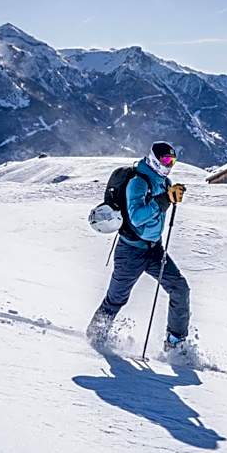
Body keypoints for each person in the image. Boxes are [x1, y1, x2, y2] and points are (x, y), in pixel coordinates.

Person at [87, 141, 189, 352]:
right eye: (166, 160)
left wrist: (168, 197)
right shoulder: (138, 182)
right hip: (131, 251)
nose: (170, 165)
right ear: (153, 158)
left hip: (155, 249)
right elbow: (136, 217)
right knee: (116, 299)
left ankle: (175, 344)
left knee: (179, 288)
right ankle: (95, 336)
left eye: (173, 161)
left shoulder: (164, 181)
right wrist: (164, 199)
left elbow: (158, 211)